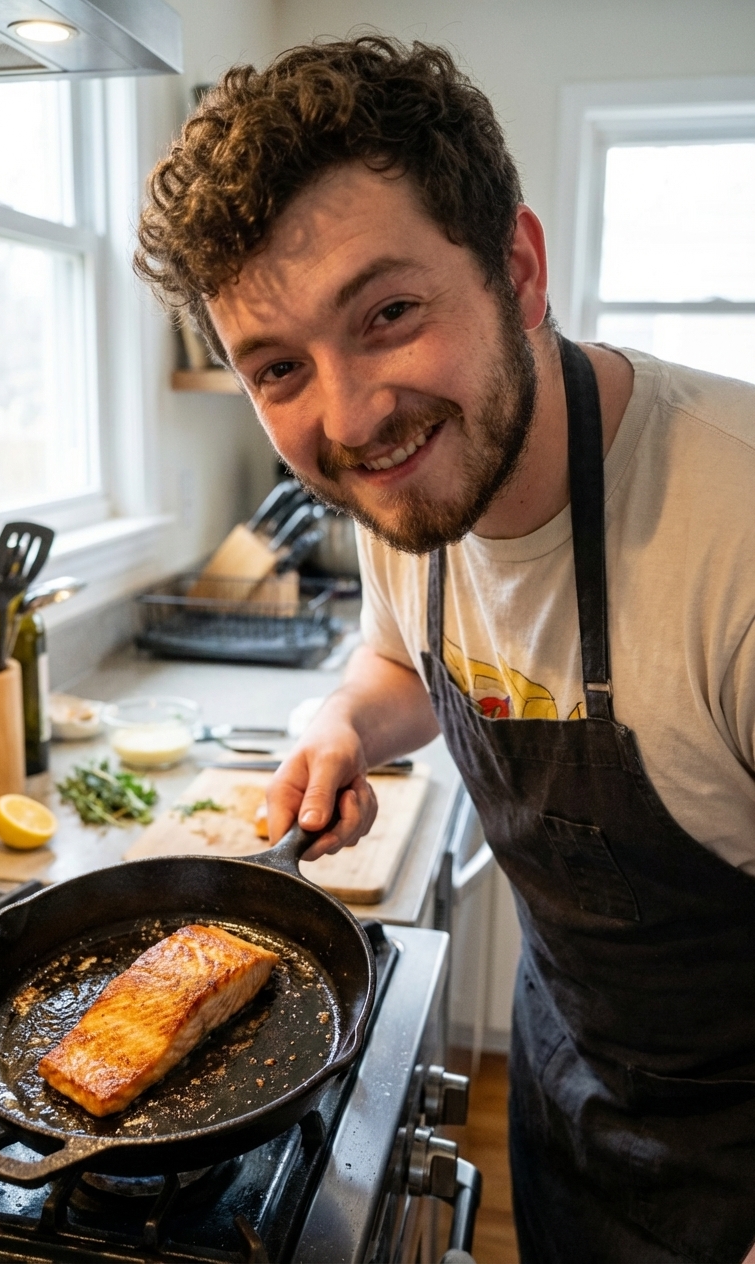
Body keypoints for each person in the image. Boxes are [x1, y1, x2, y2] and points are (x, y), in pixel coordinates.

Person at [135, 36, 755, 1264]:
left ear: (518, 269)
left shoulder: (730, 533)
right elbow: (411, 663)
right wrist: (342, 724)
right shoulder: (408, 485)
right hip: (569, 1072)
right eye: (279, 368)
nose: (352, 415)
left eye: (391, 313)